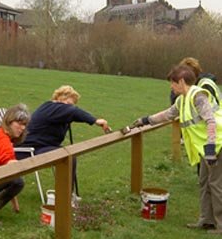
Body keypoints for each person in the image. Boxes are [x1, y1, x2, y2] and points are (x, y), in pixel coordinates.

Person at [128, 65, 222, 234]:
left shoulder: (198, 96)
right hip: (208, 148)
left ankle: (220, 226)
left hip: (216, 146)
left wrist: (209, 149)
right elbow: (167, 114)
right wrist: (144, 120)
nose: (171, 87)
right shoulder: (182, 100)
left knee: (216, 185)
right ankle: (206, 220)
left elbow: (211, 121)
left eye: (172, 83)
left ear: (181, 81)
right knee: (204, 183)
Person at [15, 85, 110, 198]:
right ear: (59, 98)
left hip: (40, 147)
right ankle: (66, 197)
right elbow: (72, 111)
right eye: (69, 103)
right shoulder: (51, 107)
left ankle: (67, 195)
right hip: (27, 150)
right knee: (67, 156)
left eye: (73, 104)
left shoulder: (57, 111)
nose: (70, 107)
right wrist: (95, 120)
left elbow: (70, 111)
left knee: (68, 154)